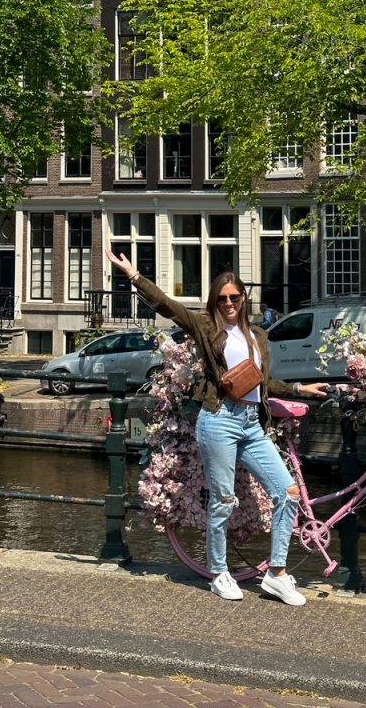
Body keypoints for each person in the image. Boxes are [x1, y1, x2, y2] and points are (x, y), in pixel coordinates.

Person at [105, 250, 328, 606]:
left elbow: (263, 382)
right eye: (222, 298)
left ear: (243, 299)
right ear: (215, 301)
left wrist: (301, 389)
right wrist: (134, 276)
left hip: (253, 424)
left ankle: (277, 574)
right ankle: (219, 572)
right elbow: (168, 306)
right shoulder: (207, 329)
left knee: (287, 493)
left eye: (234, 298)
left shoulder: (257, 336)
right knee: (224, 500)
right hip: (220, 420)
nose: (228, 303)